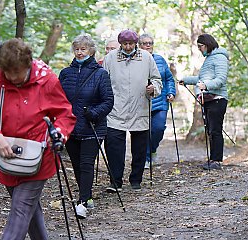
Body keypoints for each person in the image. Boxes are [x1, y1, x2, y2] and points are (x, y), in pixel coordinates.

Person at [0, 38, 76, 239]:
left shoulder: (47, 80)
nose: (12, 77)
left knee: (21, 209)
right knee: (29, 211)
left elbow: (65, 115)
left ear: (28, 64)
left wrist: (58, 134)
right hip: (7, 157)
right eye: (8, 72)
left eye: (17, 72)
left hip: (39, 157)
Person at [59, 34, 114, 218]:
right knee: (76, 164)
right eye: (77, 49)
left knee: (86, 163)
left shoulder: (100, 74)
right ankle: (87, 195)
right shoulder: (66, 73)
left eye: (83, 49)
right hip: (71, 127)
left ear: (91, 51)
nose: (80, 52)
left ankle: (82, 202)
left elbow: (108, 101)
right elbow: (58, 100)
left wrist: (94, 112)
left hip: (92, 126)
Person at [103, 29, 162, 191]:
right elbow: (103, 81)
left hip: (140, 106)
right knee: (114, 147)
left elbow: (157, 79)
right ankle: (115, 181)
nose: (128, 47)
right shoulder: (110, 58)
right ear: (120, 44)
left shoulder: (146, 57)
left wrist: (153, 88)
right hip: (116, 109)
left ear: (136, 43)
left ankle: (136, 179)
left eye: (131, 44)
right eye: (124, 44)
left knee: (140, 148)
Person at [180, 33, 229, 170]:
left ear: (207, 44)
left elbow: (221, 80)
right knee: (210, 130)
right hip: (208, 99)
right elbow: (202, 79)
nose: (200, 49)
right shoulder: (209, 59)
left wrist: (206, 86)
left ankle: (216, 161)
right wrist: (187, 80)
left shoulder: (219, 58)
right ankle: (212, 159)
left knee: (215, 130)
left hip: (217, 99)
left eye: (201, 46)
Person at [138, 33, 176, 168]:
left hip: (160, 102)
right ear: (139, 45)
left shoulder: (160, 60)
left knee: (158, 129)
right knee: (143, 132)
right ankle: (146, 158)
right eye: (145, 43)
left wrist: (171, 92)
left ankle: (152, 150)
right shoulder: (136, 61)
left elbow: (169, 79)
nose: (148, 45)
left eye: (150, 43)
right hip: (142, 103)